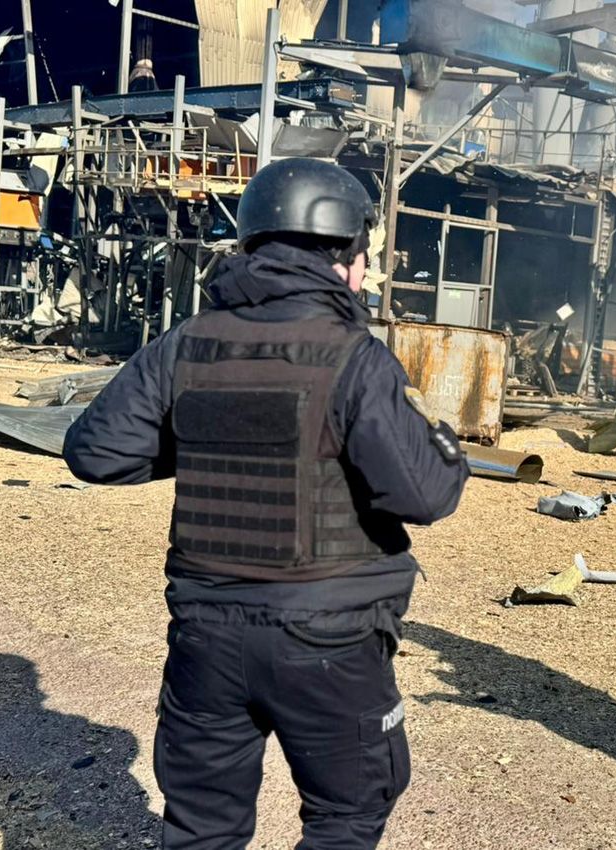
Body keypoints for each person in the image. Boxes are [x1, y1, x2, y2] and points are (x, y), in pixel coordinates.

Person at [63, 158, 470, 849]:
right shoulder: (356, 358)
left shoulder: (183, 344)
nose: (368, 276)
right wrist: (446, 445)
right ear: (342, 255)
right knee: (345, 816)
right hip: (329, 635)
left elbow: (97, 452)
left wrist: (209, 443)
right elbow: (424, 493)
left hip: (205, 636)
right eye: (365, 259)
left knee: (201, 827)